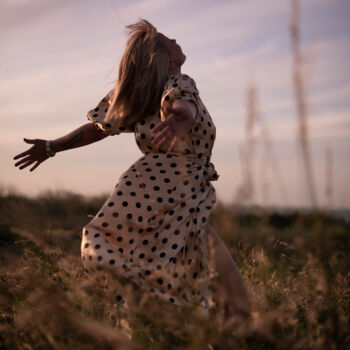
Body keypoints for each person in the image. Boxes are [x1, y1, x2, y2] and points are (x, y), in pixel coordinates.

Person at [13, 19, 250, 325]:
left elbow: (100, 128)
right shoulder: (179, 82)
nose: (176, 38)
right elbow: (181, 104)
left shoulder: (150, 95)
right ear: (166, 58)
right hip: (170, 189)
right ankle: (218, 328)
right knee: (225, 290)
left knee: (172, 268)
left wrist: (51, 146)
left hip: (154, 190)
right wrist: (181, 119)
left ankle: (148, 326)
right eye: (168, 39)